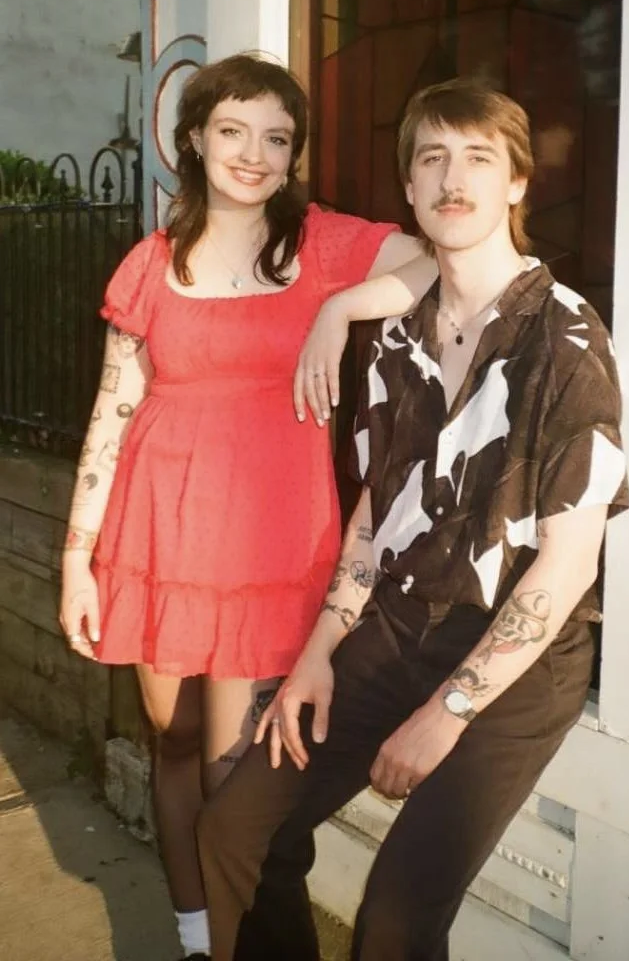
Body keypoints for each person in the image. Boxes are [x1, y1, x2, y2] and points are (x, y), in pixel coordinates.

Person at [197, 77, 629, 961]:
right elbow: (374, 515)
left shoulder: (566, 337)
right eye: (432, 157)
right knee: (235, 833)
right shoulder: (399, 335)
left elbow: (567, 565)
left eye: (479, 157)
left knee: (392, 926)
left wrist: (449, 711)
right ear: (409, 187)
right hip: (394, 628)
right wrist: (318, 653)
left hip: (511, 663)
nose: (453, 177)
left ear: (516, 183)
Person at [57, 53, 433, 961]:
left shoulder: (322, 246)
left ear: (295, 154)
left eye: (277, 138)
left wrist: (340, 307)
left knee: (236, 775)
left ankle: (236, 943)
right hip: (155, 534)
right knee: (174, 741)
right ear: (193, 140)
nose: (255, 155)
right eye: (233, 131)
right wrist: (78, 558)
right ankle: (197, 939)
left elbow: (433, 263)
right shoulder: (151, 263)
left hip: (267, 547)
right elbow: (114, 409)